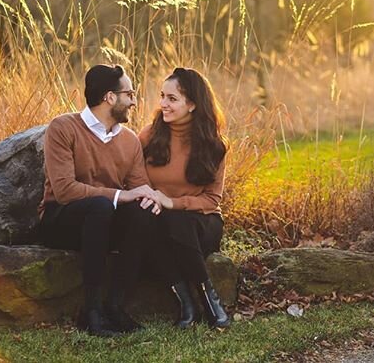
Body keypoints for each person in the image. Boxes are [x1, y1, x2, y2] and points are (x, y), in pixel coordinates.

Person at [38, 64, 162, 337]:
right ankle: (90, 311)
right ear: (110, 97)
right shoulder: (63, 128)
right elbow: (64, 191)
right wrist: (121, 195)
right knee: (101, 206)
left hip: (104, 223)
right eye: (129, 94)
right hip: (61, 221)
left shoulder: (129, 141)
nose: (134, 101)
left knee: (142, 213)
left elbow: (139, 186)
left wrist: (150, 198)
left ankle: (115, 307)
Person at [139, 67, 230, 329]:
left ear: (191, 104)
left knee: (178, 221)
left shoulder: (214, 144)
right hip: (160, 221)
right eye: (162, 96)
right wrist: (152, 197)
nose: (163, 104)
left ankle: (209, 300)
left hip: (202, 223)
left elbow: (212, 200)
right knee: (151, 225)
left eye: (172, 99)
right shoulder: (149, 135)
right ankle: (187, 303)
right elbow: (131, 173)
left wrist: (174, 203)